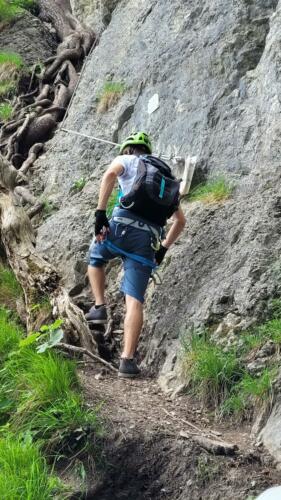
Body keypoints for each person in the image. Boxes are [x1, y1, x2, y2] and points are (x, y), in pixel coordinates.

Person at [86, 131, 186, 378]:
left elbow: (110, 174)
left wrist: (100, 214)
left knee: (96, 258)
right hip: (146, 242)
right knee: (135, 301)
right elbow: (180, 221)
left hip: (119, 229)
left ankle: (99, 307)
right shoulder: (164, 180)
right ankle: (127, 362)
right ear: (148, 152)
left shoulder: (128, 161)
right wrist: (162, 249)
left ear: (128, 149)